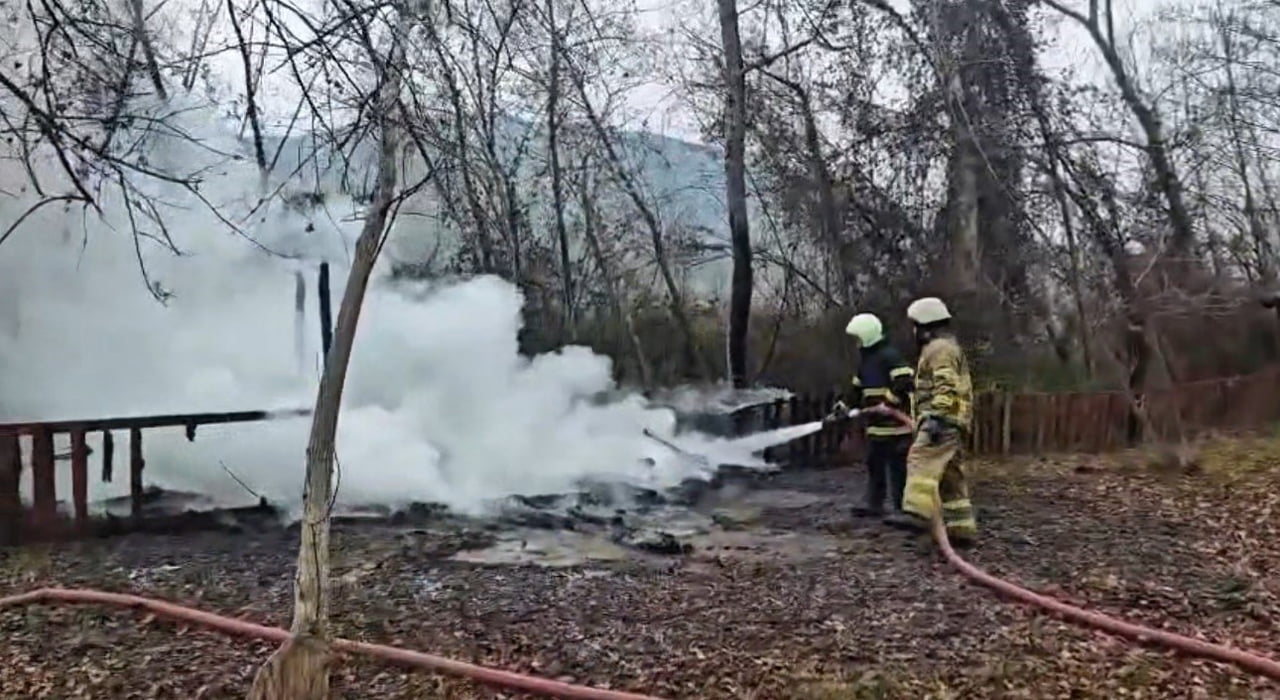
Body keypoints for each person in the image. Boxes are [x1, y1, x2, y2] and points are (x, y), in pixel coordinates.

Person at [893, 296, 977, 544]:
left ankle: (917, 514)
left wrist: (937, 418)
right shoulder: (946, 348)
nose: (914, 331)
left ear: (926, 326)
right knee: (951, 478)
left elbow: (946, 385)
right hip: (955, 420)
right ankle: (961, 529)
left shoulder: (939, 349)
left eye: (916, 325)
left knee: (920, 460)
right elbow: (935, 385)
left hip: (944, 420)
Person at [834, 312, 915, 519]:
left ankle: (902, 508)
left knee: (899, 469)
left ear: (867, 335)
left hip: (897, 428)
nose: (856, 343)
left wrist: (888, 402)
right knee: (874, 465)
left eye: (858, 337)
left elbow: (905, 381)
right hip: (876, 428)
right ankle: (875, 504)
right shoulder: (865, 363)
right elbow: (855, 391)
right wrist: (843, 406)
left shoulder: (890, 356)